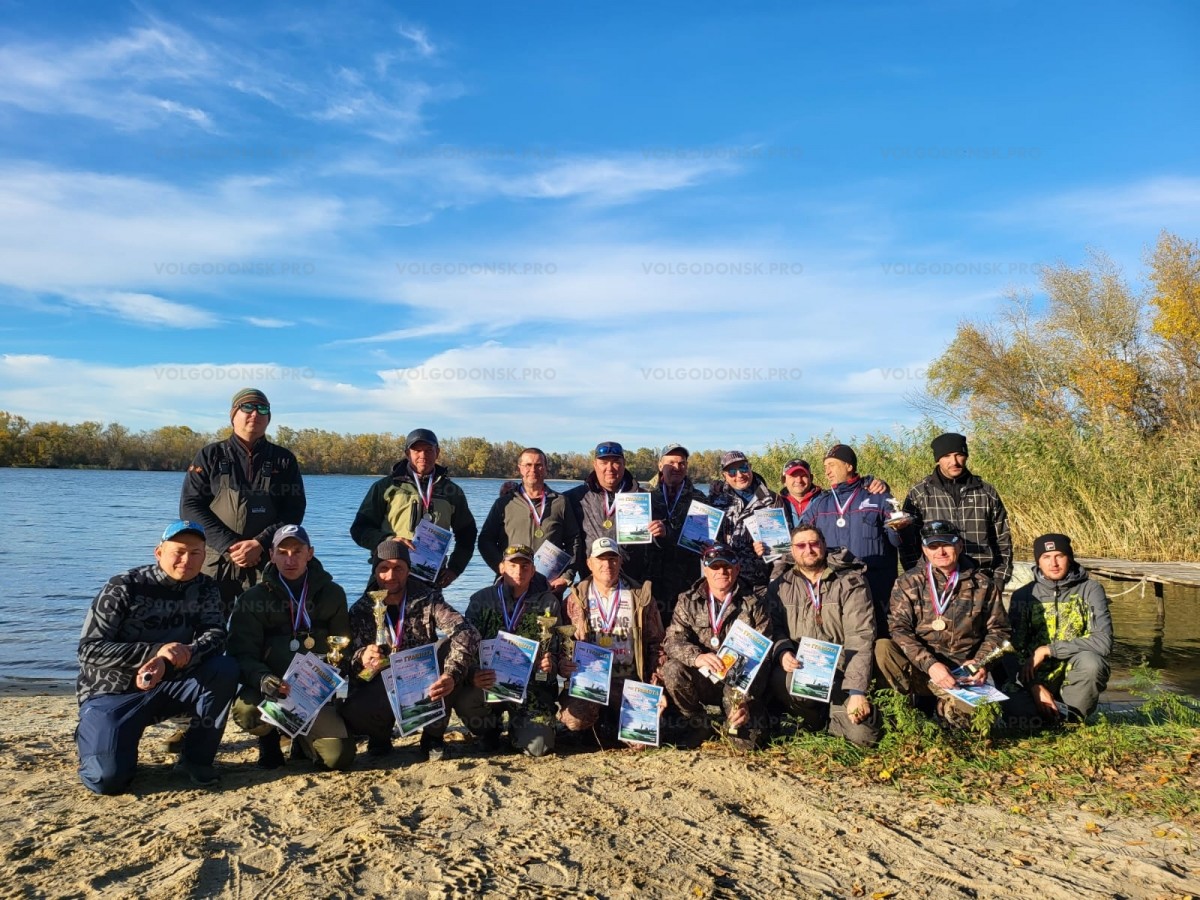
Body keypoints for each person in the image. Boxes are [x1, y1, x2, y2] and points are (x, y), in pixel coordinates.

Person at [75, 520, 239, 794]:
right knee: (107, 780)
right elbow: (89, 650)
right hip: (113, 692)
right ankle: (94, 735)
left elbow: (216, 635)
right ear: (159, 552)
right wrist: (154, 652)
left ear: (204, 556)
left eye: (195, 553)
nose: (186, 560)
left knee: (224, 668)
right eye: (179, 551)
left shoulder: (206, 587)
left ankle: (195, 759)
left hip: (169, 685)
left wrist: (182, 654)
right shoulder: (123, 586)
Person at [226, 525, 356, 771]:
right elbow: (240, 654)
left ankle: (302, 742)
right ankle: (269, 740)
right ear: (271, 554)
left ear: (310, 553)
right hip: (274, 691)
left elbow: (343, 646)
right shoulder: (252, 598)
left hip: (314, 692)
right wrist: (263, 678)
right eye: (282, 552)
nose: (290, 559)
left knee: (338, 758)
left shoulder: (333, 593)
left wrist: (331, 679)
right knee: (247, 712)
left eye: (297, 551)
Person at [341, 539, 480, 761]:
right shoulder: (361, 609)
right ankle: (380, 737)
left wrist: (451, 675)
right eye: (384, 568)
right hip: (383, 682)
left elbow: (467, 632)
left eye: (398, 568)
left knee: (447, 649)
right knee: (351, 709)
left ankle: (432, 737)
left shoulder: (428, 598)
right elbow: (347, 664)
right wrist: (361, 658)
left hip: (421, 679)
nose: (391, 575)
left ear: (408, 570)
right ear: (375, 572)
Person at [180, 388, 306, 616]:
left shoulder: (284, 459)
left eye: (262, 409)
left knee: (267, 627)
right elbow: (190, 507)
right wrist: (230, 545)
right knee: (206, 626)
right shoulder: (210, 455)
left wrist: (259, 543)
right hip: (217, 561)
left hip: (265, 561)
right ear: (233, 415)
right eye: (247, 407)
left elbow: (294, 511)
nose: (255, 414)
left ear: (269, 418)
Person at [875, 520, 1012, 728]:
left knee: (979, 723)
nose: (940, 551)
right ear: (924, 550)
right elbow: (899, 629)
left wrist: (980, 663)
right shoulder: (908, 582)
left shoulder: (983, 584)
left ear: (959, 545)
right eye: (933, 546)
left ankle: (943, 709)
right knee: (883, 648)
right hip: (921, 669)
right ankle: (902, 713)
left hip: (961, 675)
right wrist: (930, 664)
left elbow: (999, 631)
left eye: (947, 544)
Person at [766, 524, 880, 746]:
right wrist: (783, 651)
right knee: (781, 680)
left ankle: (837, 713)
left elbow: (860, 636)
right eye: (801, 545)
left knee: (864, 738)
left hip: (841, 672)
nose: (808, 550)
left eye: (814, 543)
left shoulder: (850, 581)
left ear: (824, 545)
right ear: (792, 550)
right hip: (803, 670)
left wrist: (856, 690)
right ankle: (814, 719)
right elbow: (774, 628)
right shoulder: (780, 585)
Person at [660, 544, 773, 749]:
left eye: (727, 566)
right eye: (715, 566)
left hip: (738, 684)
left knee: (746, 745)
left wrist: (742, 699)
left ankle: (744, 716)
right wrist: (697, 657)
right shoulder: (687, 600)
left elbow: (763, 658)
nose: (721, 571)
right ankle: (698, 722)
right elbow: (672, 641)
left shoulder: (755, 603)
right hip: (703, 678)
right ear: (705, 570)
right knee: (672, 669)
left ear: (737, 569)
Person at [558, 537, 665, 745]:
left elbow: (657, 645)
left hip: (630, 680)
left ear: (620, 562)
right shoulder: (574, 599)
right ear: (589, 563)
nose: (607, 564)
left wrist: (656, 687)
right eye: (601, 559)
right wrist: (564, 664)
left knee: (642, 742)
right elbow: (563, 644)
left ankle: (614, 723)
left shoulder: (640, 597)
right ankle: (598, 724)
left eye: (613, 559)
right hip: (591, 681)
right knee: (574, 720)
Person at [460, 545, 562, 756]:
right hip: (489, 683)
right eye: (512, 565)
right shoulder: (481, 600)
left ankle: (519, 729)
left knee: (538, 747)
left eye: (525, 566)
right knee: (464, 700)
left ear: (533, 571)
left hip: (531, 688)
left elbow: (557, 650)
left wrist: (550, 665)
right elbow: (465, 647)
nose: (519, 571)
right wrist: (473, 674)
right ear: (501, 567)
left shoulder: (548, 603)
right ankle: (490, 730)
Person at [1004, 533, 1112, 725]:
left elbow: (1103, 642)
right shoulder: (1023, 595)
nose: (1053, 563)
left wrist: (1048, 650)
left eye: (1059, 556)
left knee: (1092, 663)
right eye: (1046, 557)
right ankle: (1038, 712)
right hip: (1034, 675)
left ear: (1069, 558)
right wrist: (1034, 686)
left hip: (1072, 670)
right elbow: (1013, 649)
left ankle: (1072, 718)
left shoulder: (1091, 589)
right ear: (1038, 561)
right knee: (1021, 718)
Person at [349, 428, 477, 588]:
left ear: (437, 452)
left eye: (428, 450)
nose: (423, 455)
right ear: (407, 453)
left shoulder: (452, 492)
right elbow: (359, 530)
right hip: (388, 573)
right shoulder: (385, 487)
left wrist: (455, 569)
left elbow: (467, 534)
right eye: (417, 450)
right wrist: (388, 541)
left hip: (429, 576)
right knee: (376, 606)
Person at [799, 444, 902, 633]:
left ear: (849, 466)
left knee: (880, 639)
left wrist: (900, 528)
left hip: (877, 589)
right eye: (825, 467)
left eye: (831, 465)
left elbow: (899, 542)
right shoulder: (820, 504)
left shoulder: (878, 497)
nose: (827, 471)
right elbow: (798, 538)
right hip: (835, 591)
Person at [899, 432, 1013, 595]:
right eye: (946, 456)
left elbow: (1003, 540)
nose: (954, 462)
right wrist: (917, 578)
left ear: (966, 456)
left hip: (981, 580)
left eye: (959, 454)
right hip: (934, 584)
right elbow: (908, 543)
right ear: (938, 459)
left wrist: (1000, 579)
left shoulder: (986, 492)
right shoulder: (919, 494)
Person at [477, 447, 582, 593]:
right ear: (520, 468)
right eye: (528, 465)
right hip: (510, 584)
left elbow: (574, 541)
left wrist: (566, 576)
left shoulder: (561, 502)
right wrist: (500, 566)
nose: (533, 470)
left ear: (546, 469)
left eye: (538, 465)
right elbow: (485, 540)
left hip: (548, 587)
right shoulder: (504, 504)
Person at [564, 441, 666, 584]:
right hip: (591, 582)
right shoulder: (575, 497)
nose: (610, 468)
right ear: (595, 464)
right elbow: (564, 538)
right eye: (604, 462)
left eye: (616, 462)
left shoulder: (644, 497)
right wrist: (565, 575)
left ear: (624, 464)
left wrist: (661, 533)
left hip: (633, 583)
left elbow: (659, 544)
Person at [642, 443, 706, 625]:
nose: (677, 467)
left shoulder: (699, 499)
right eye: (671, 462)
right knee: (650, 631)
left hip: (684, 581)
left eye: (682, 463)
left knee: (682, 630)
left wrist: (668, 533)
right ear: (660, 465)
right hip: (649, 580)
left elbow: (697, 542)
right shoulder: (644, 496)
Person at [707, 451, 777, 589]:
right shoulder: (713, 501)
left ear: (750, 467)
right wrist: (705, 546)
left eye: (743, 468)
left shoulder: (772, 500)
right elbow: (703, 539)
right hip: (724, 581)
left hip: (758, 585)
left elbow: (781, 552)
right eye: (732, 472)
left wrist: (774, 583)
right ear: (724, 475)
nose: (739, 475)